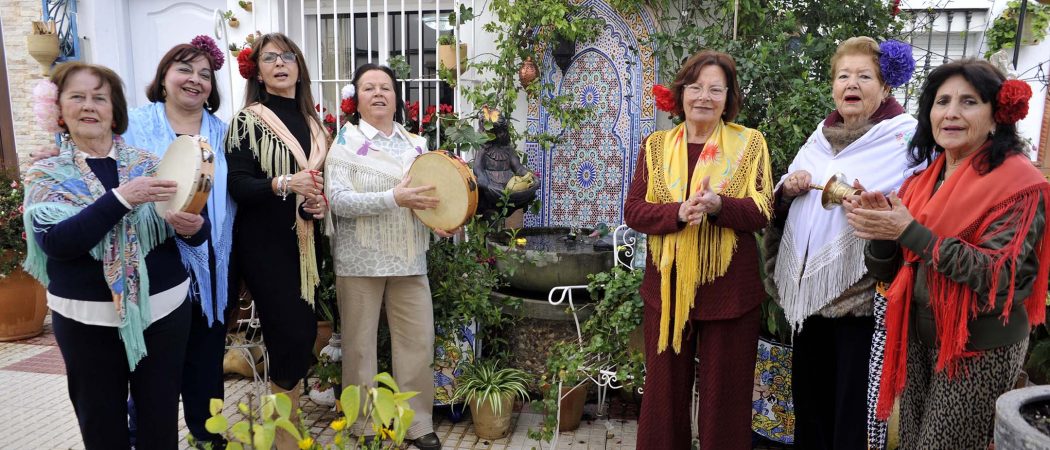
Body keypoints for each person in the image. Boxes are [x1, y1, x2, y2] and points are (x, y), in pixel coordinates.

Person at [850, 58, 1048, 449]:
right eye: (942, 102)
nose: (951, 113)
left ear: (996, 116)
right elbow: (889, 272)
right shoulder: (922, 181)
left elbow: (999, 276)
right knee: (912, 442)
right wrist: (882, 231)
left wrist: (909, 231)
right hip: (918, 338)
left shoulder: (1019, 184)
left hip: (977, 347)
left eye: (968, 102)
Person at [22, 62, 209, 449]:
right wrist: (122, 198)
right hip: (86, 321)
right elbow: (58, 242)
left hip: (164, 315)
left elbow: (192, 231)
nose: (89, 106)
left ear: (114, 109)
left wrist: (194, 228)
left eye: (100, 98)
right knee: (101, 427)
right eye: (77, 96)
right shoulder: (46, 174)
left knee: (160, 426)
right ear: (58, 109)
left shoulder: (149, 164)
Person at [764, 37, 917, 449]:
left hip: (862, 302)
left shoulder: (904, 139)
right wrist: (789, 188)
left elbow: (918, 206)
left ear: (885, 86)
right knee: (810, 411)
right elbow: (783, 200)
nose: (852, 83)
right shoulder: (820, 136)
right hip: (810, 301)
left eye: (864, 76)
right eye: (843, 75)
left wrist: (878, 207)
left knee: (851, 418)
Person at [623, 50, 773, 449]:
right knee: (662, 401)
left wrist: (719, 206)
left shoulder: (749, 144)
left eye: (715, 89)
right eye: (695, 87)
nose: (704, 96)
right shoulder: (656, 146)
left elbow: (762, 209)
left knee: (725, 404)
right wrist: (676, 212)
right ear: (681, 93)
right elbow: (634, 210)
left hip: (730, 293)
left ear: (728, 97)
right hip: (667, 291)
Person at [325, 63, 454, 450]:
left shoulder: (416, 144)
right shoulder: (344, 144)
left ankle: (417, 423)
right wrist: (392, 198)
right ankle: (363, 424)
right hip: (359, 261)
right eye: (369, 88)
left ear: (397, 98)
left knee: (418, 341)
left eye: (385, 87)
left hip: (409, 258)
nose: (378, 93)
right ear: (356, 100)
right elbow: (339, 202)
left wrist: (439, 222)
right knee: (359, 347)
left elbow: (429, 196)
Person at [121, 35, 235, 448]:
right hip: (153, 257)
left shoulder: (225, 132)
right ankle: (146, 437)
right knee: (154, 364)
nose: (195, 79)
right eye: (184, 69)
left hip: (210, 256)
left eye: (205, 74)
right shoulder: (131, 125)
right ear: (164, 77)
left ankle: (208, 435)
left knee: (206, 358)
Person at [226, 32, 328, 449]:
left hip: (305, 245)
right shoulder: (248, 121)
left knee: (302, 337)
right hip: (264, 247)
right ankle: (283, 434)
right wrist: (286, 183)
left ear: (299, 68)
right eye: (270, 58)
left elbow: (318, 187)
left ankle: (285, 419)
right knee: (290, 336)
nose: (281, 63)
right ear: (259, 73)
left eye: (288, 56)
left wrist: (318, 204)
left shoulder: (316, 126)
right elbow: (238, 185)